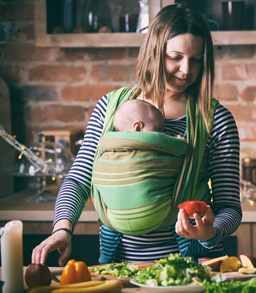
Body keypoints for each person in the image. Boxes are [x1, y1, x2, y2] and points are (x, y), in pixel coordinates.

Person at [32, 3, 241, 266]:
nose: (187, 69)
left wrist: (210, 233)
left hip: (192, 268)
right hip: (120, 267)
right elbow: (80, 179)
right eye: (175, 57)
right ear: (155, 52)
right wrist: (62, 229)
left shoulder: (215, 120)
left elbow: (230, 206)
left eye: (196, 59)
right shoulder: (111, 108)